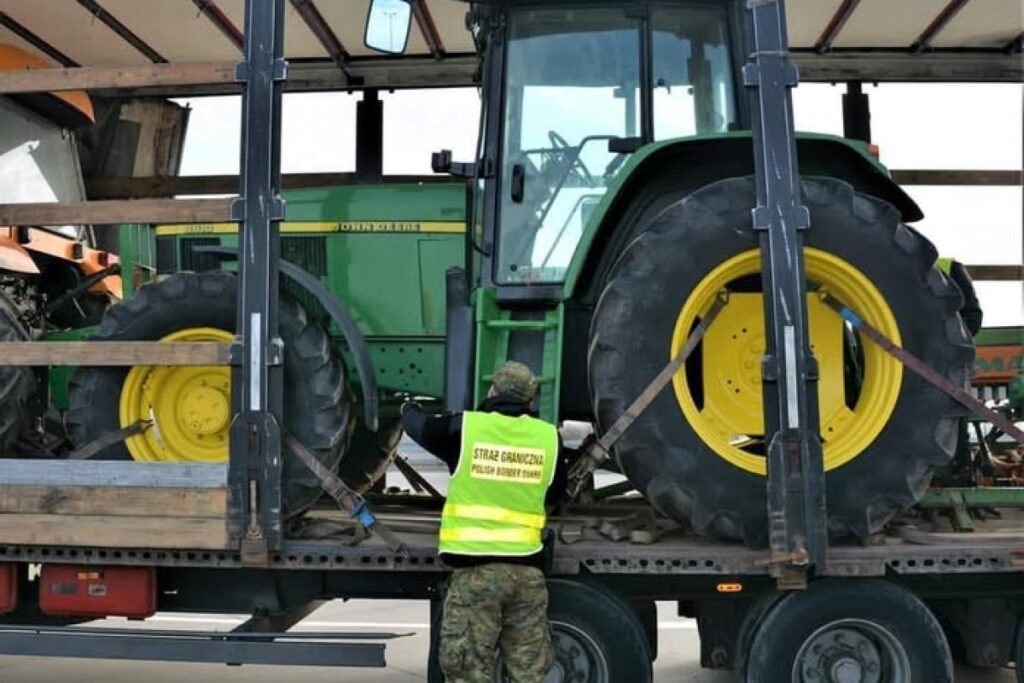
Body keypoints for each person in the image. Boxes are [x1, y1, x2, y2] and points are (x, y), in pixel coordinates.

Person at [401, 361, 567, 683]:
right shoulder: (549, 438)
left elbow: (418, 426)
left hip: (475, 576)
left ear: (493, 391)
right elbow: (556, 492)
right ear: (530, 402)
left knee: (467, 672)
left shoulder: (465, 429)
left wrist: (409, 406)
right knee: (529, 674)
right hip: (527, 575)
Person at [938, 257, 984, 479]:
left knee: (954, 417)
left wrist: (945, 344)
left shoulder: (948, 268)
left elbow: (973, 317)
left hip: (947, 361)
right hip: (901, 361)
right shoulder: (887, 267)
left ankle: (961, 472)